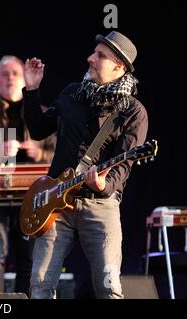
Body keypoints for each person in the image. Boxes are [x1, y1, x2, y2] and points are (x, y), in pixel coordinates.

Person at [23, 31, 148, 299]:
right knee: (40, 286)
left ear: (119, 67)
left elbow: (123, 166)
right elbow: (37, 129)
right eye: (94, 52)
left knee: (108, 287)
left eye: (100, 56)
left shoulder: (133, 111)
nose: (90, 58)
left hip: (99, 205)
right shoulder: (72, 93)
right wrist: (32, 90)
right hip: (57, 205)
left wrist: (104, 184)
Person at [0, 55, 55, 295]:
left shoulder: (40, 113)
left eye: (15, 73)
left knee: (28, 258)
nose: (10, 78)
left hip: (31, 198)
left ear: (24, 79)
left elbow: (60, 156)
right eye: (4, 74)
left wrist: (39, 152)